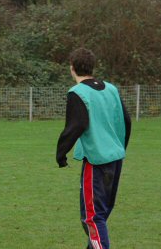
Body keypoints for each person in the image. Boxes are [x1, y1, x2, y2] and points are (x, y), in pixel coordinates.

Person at [56, 48, 132, 249]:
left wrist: (61, 153)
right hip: (115, 159)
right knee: (99, 214)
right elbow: (126, 121)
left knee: (93, 218)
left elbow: (76, 125)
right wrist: (118, 147)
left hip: (96, 162)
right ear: (92, 67)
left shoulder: (77, 92)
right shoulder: (111, 89)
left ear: (72, 68)